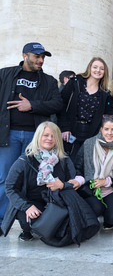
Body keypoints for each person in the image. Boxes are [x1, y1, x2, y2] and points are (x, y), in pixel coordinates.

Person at [0, 42, 63, 227]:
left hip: (34, 137)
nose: (40, 60)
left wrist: (32, 105)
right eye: (37, 56)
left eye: (43, 56)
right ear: (24, 55)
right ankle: (3, 220)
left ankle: (26, 222)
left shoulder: (49, 81)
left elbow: (57, 104)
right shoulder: (5, 74)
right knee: (4, 178)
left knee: (31, 180)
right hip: (8, 135)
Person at [1, 122, 96, 242]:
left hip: (57, 201)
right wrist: (27, 207)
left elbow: (72, 182)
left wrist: (62, 185)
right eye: (46, 135)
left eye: (53, 136)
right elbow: (9, 187)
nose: (49, 139)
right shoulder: (24, 161)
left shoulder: (64, 159)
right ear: (38, 137)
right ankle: (26, 230)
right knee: (33, 221)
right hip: (33, 203)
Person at [74, 115, 113, 230]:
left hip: (108, 188)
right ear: (101, 130)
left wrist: (106, 181)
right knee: (96, 208)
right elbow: (77, 166)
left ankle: (107, 218)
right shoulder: (89, 144)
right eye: (106, 129)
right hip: (89, 188)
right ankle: (90, 221)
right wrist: (81, 180)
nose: (109, 133)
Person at [57, 57, 113, 160]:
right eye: (95, 67)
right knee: (67, 163)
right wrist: (64, 127)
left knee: (84, 164)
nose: (98, 70)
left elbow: (106, 116)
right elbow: (61, 104)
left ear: (105, 72)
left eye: (101, 68)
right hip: (70, 131)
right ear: (89, 68)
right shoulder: (76, 82)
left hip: (90, 134)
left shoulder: (105, 93)